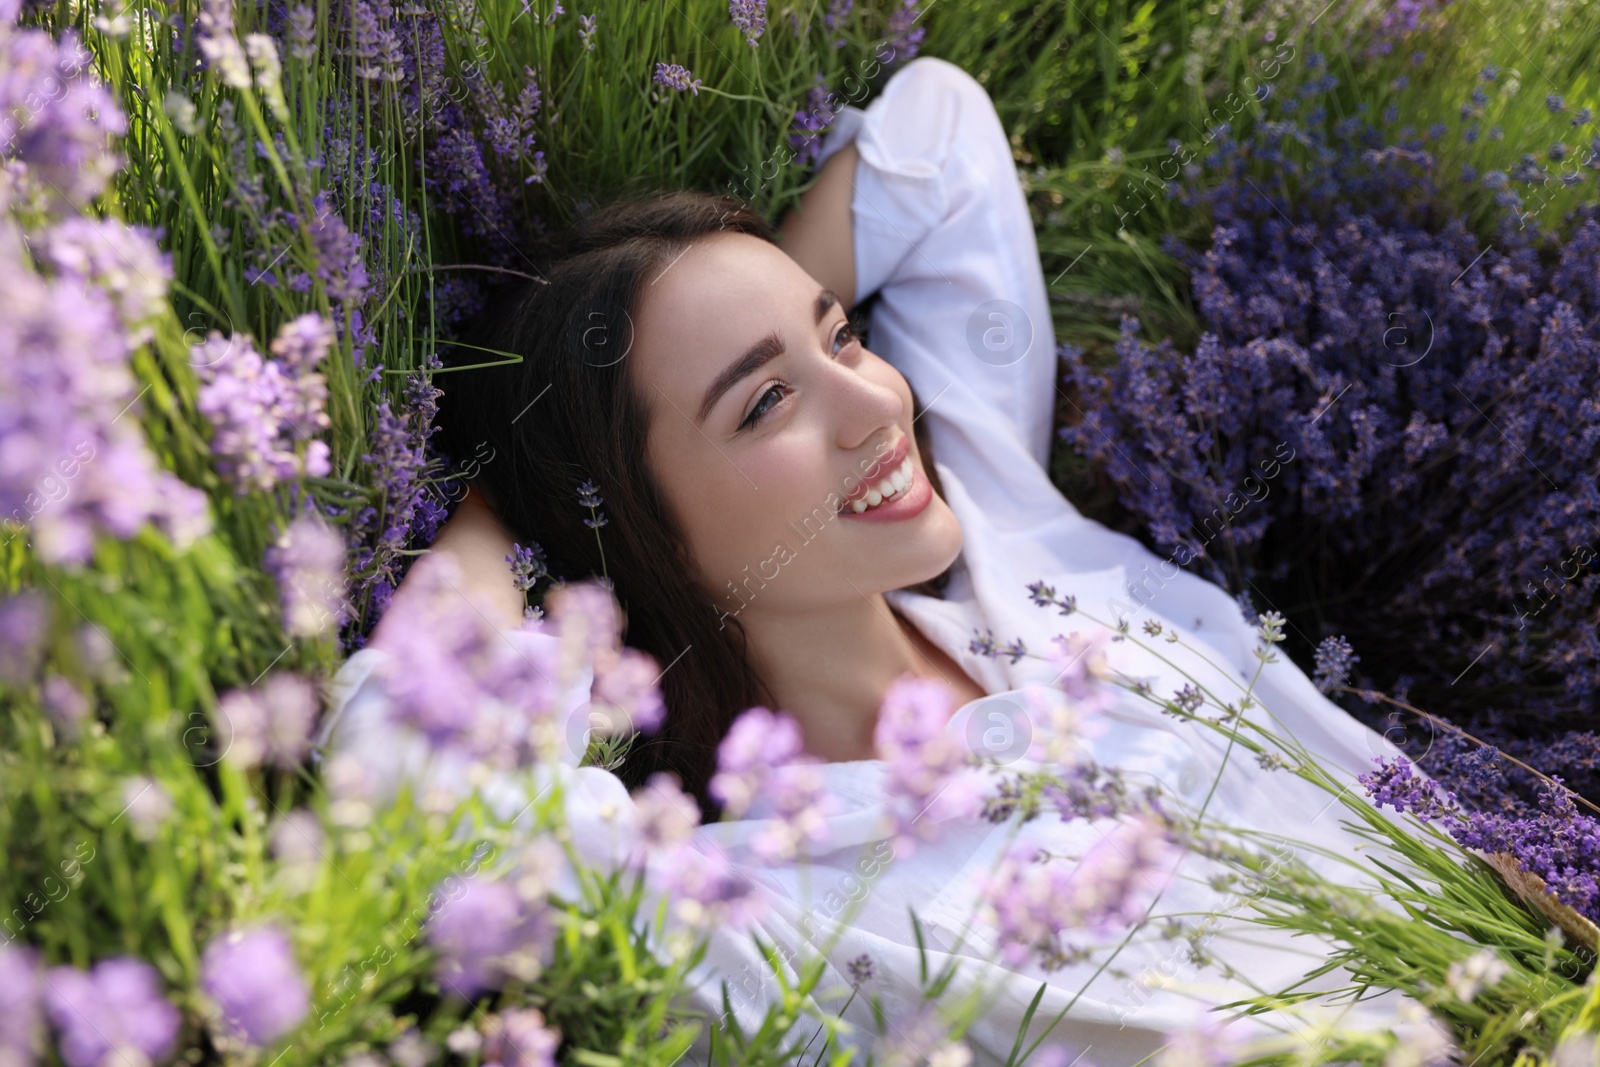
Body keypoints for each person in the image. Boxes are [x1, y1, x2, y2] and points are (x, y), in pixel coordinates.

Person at [319, 57, 1412, 1064]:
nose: (880, 403)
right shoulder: (770, 914)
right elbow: (419, 794)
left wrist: (732, 313)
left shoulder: (1003, 545)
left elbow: (939, 135)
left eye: (840, 334)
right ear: (645, 529)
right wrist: (511, 500)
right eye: (765, 403)